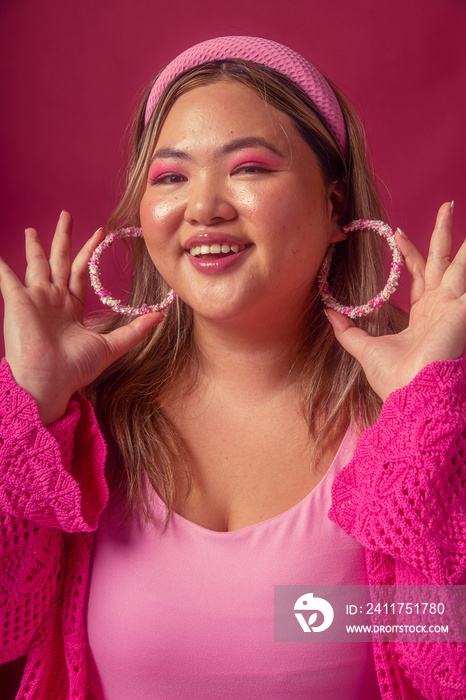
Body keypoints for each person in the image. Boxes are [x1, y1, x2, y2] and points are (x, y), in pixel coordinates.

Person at [0, 35, 465, 700]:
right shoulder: (79, 415)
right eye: (169, 177)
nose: (205, 207)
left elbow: (449, 668)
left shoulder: (418, 419)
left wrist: (428, 423)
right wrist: (32, 408)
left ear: (336, 207)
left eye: (248, 168)